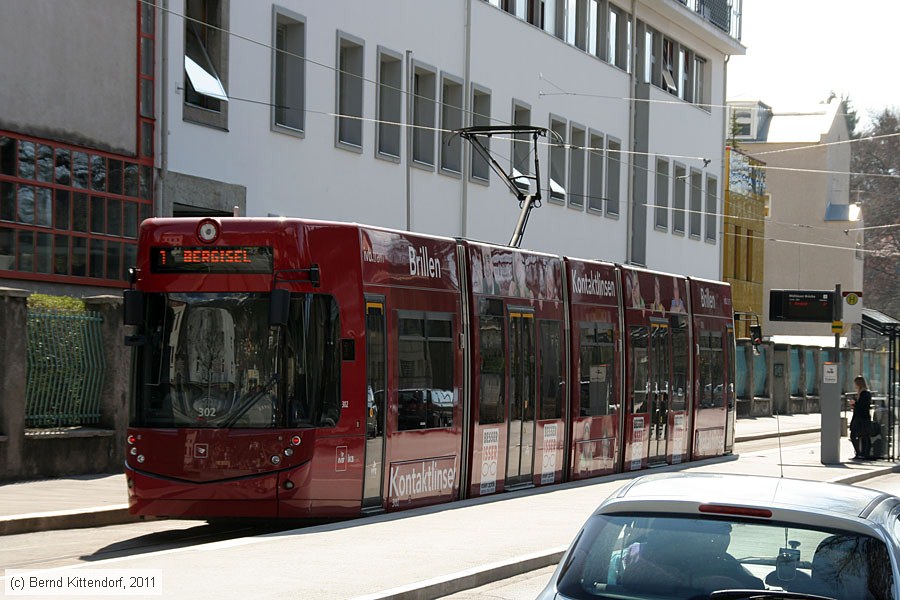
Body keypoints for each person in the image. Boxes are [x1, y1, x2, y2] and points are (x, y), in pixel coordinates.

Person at [850, 375, 873, 460]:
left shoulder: (864, 393)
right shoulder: (863, 393)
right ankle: (861, 453)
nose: (855, 385)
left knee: (858, 435)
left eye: (856, 384)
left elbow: (863, 406)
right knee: (862, 436)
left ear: (859, 384)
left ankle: (861, 453)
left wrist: (854, 404)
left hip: (861, 418)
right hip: (861, 418)